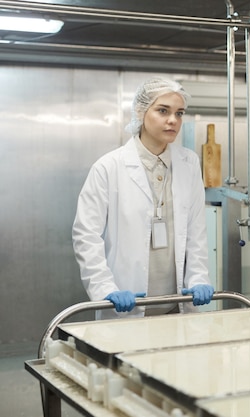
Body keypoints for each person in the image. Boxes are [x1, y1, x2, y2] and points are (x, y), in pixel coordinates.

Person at [72, 77, 214, 319]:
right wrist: (105, 289)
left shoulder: (189, 163)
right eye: (162, 111)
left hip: (177, 303)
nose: (173, 120)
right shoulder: (108, 167)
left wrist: (199, 278)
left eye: (179, 113)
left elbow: (196, 232)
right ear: (140, 111)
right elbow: (86, 236)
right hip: (126, 305)